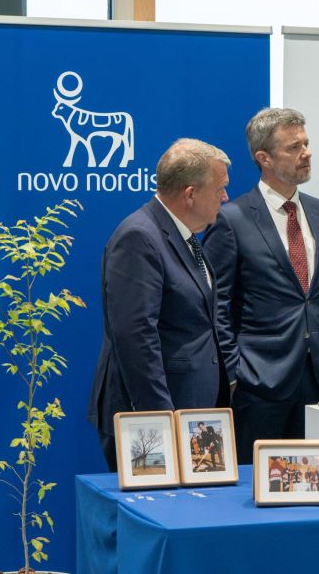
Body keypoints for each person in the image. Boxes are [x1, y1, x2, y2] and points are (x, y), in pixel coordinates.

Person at [203, 107, 319, 464]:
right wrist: (235, 372)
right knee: (256, 488)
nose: (307, 153)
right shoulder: (232, 218)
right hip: (259, 384)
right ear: (264, 158)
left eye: (306, 143)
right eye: (294, 147)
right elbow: (214, 305)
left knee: (318, 488)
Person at [88, 138, 232, 471]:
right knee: (157, 504)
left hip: (192, 414)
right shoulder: (139, 237)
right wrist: (161, 423)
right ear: (190, 194)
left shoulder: (185, 235)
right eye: (220, 189)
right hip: (153, 420)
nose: (225, 197)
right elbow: (136, 339)